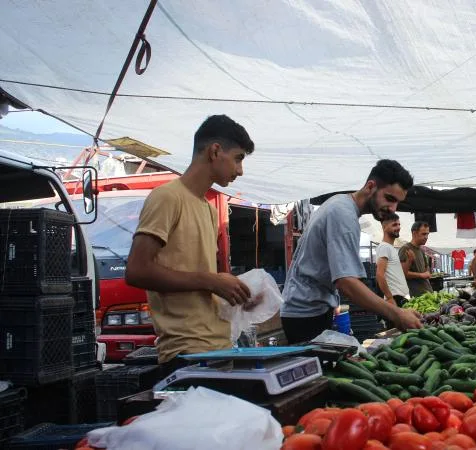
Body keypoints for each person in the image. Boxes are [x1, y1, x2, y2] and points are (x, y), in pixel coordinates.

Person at [126, 115, 255, 373]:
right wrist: (212, 281)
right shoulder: (167, 197)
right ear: (215, 151)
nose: (240, 170)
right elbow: (137, 271)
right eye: (238, 158)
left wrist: (232, 290)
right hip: (186, 353)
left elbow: (201, 276)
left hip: (218, 346)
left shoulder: (208, 210)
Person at [280, 160, 423, 344]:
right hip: (305, 316)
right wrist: (397, 314)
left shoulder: (341, 206)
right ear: (371, 186)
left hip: (309, 311)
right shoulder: (343, 214)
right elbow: (346, 282)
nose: (393, 209)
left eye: (397, 203)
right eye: (389, 199)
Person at [376, 213, 410, 308]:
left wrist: (409, 261)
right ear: (384, 227)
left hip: (401, 297)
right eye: (394, 225)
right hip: (395, 298)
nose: (398, 227)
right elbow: (379, 274)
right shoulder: (384, 247)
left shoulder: (390, 248)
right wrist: (390, 298)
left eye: (399, 224)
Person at [399, 222, 433, 297]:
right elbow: (402, 274)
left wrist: (427, 271)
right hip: (416, 297)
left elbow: (426, 270)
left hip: (427, 293)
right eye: (424, 234)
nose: (426, 237)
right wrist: (421, 275)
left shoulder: (421, 250)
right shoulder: (406, 249)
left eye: (427, 234)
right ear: (414, 233)